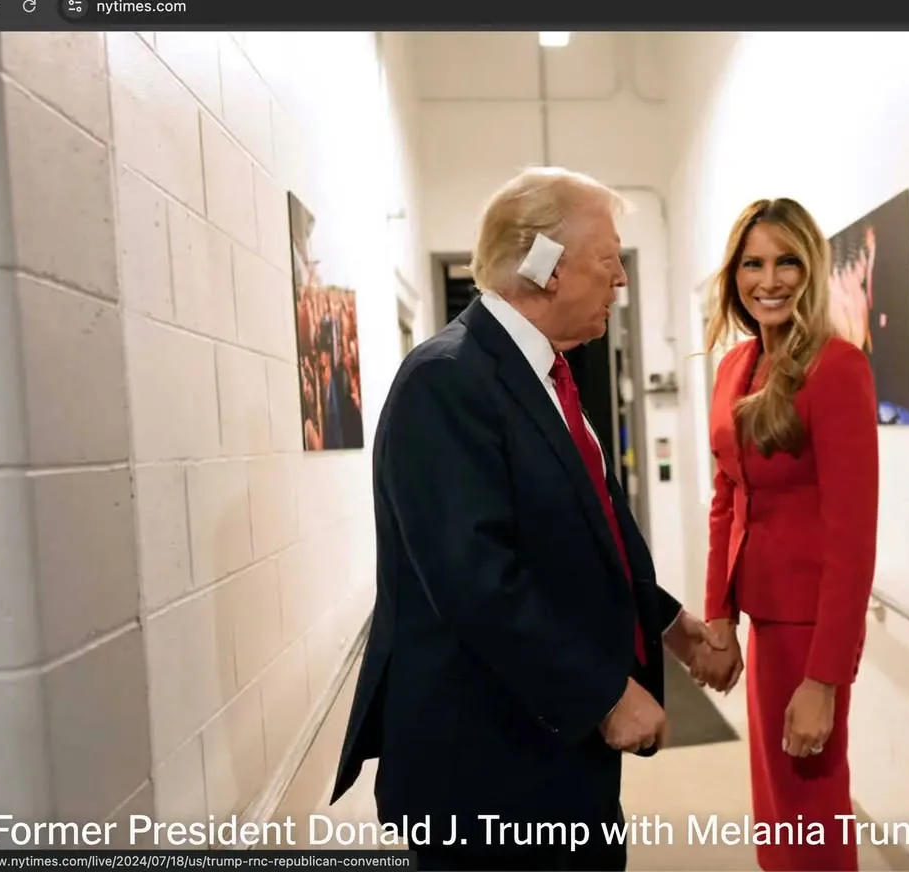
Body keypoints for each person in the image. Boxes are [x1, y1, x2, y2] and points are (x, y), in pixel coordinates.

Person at [331, 167, 728, 871]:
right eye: (607, 259)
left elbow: (586, 533)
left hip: (549, 754)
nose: (621, 280)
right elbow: (476, 578)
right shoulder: (446, 379)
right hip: (487, 769)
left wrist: (665, 623)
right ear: (545, 265)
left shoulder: (549, 381)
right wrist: (603, 695)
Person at [691, 198, 880, 871]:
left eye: (786, 262)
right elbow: (725, 498)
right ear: (734, 274)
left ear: (811, 269)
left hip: (809, 630)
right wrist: (719, 615)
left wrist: (824, 679)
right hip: (763, 622)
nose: (768, 280)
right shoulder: (736, 366)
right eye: (753, 264)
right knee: (777, 819)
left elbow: (854, 538)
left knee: (810, 816)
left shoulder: (837, 368)